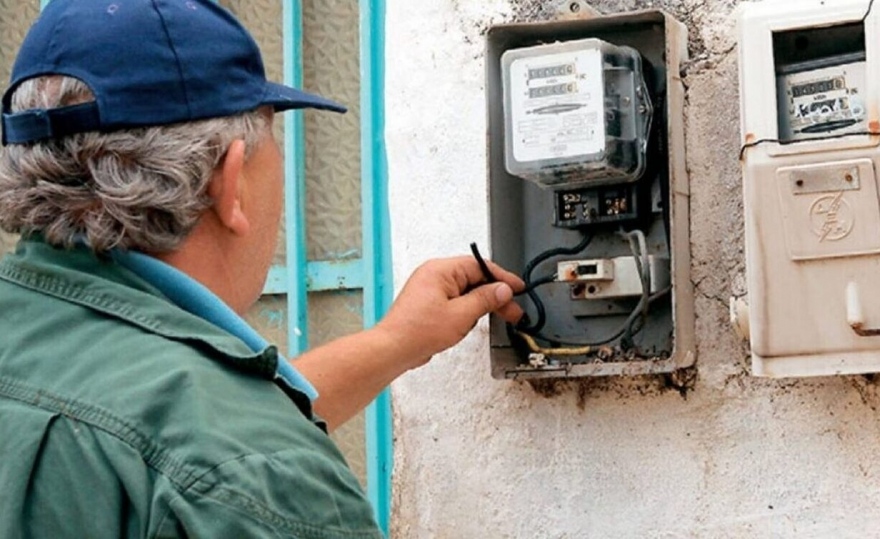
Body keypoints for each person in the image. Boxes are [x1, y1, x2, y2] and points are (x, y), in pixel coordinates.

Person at [0, 1, 523, 537]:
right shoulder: (258, 471)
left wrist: (395, 342)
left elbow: (152, 424)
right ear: (229, 183)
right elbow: (215, 449)